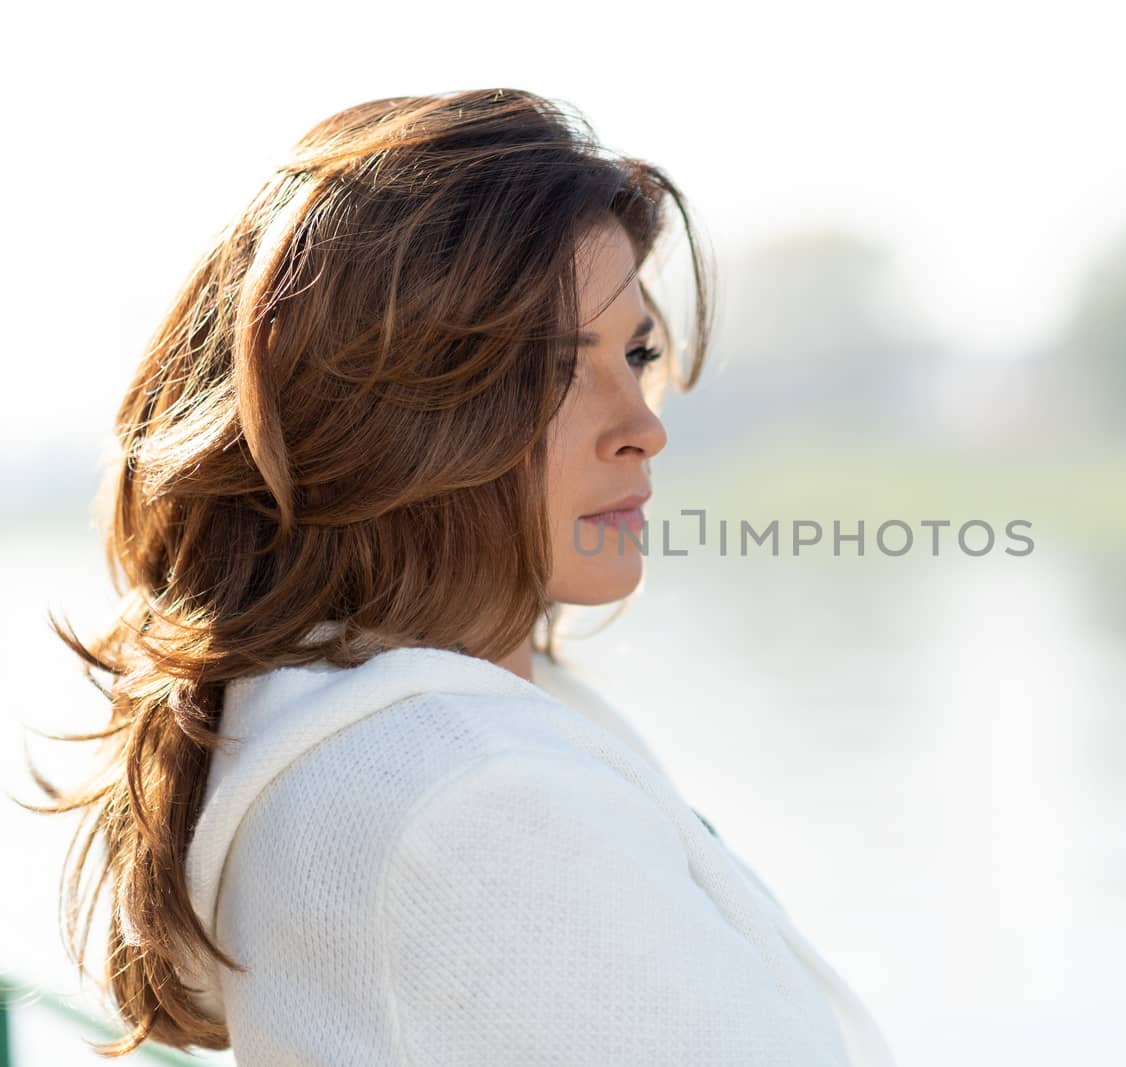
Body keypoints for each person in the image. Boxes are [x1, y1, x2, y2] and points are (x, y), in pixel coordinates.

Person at [23, 88, 897, 1066]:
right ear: (385, 419)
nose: (642, 426)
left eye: (637, 353)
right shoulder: (475, 798)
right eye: (552, 371)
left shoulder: (338, 725)